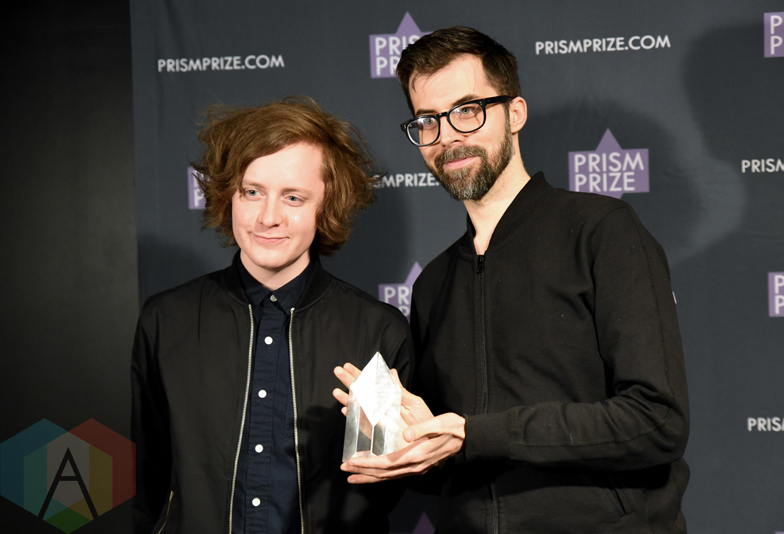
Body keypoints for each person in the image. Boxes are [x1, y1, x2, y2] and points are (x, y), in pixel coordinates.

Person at [335, 27, 690, 534]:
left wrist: (476, 434)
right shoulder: (433, 284)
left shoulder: (601, 231)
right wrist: (412, 438)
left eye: (467, 110)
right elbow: (456, 461)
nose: (447, 136)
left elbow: (657, 420)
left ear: (515, 113)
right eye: (428, 120)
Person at [131, 97, 413, 534]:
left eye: (293, 197)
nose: (268, 217)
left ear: (326, 205)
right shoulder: (167, 320)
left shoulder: (377, 331)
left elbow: (383, 485)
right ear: (228, 195)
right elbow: (144, 478)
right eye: (252, 192)